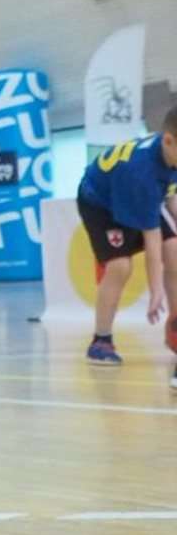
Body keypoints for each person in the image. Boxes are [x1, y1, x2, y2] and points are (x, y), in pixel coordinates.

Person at [76, 110, 177, 370]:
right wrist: (156, 290)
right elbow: (152, 237)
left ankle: (175, 327)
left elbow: (171, 198)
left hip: (139, 196)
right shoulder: (142, 172)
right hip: (101, 204)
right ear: (167, 140)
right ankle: (101, 342)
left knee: (174, 250)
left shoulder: (170, 154)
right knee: (120, 266)